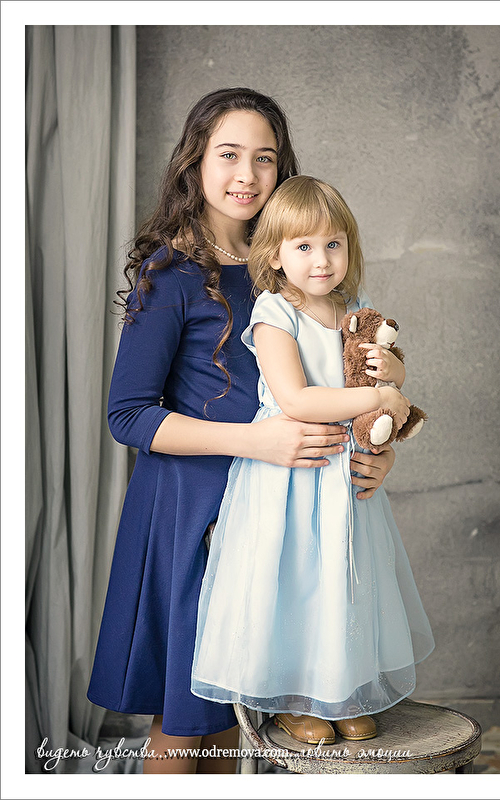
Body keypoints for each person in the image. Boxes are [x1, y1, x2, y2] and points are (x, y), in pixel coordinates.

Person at [87, 89, 397, 774]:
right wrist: (256, 442)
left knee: (235, 718)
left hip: (283, 513)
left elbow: (340, 380)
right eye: (229, 154)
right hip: (196, 513)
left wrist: (373, 455)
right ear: (194, 162)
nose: (247, 175)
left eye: (265, 158)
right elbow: (127, 415)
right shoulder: (171, 275)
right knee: (188, 718)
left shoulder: (296, 266)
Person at [191, 176, 435, 747]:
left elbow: (387, 371)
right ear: (275, 255)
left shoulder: (357, 310)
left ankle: (342, 692)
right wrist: (378, 399)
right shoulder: (275, 313)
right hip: (292, 475)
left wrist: (392, 375)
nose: (321, 259)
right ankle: (294, 700)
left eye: (333, 244)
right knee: (297, 583)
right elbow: (297, 399)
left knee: (345, 584)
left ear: (349, 247)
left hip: (345, 477)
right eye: (303, 246)